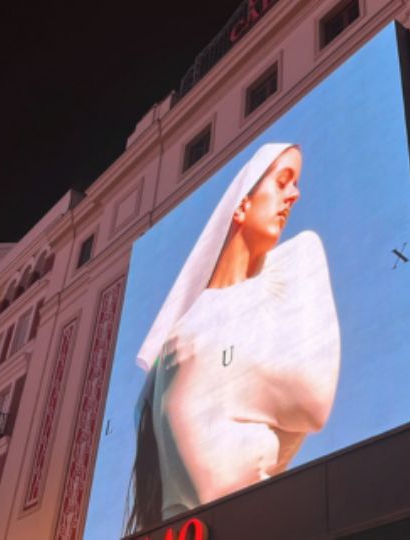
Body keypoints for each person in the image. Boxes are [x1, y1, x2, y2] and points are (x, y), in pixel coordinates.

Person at [125, 143, 341, 534]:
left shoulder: (293, 263)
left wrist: (207, 373)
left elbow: (311, 397)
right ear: (241, 206)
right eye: (282, 182)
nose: (295, 195)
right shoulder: (179, 331)